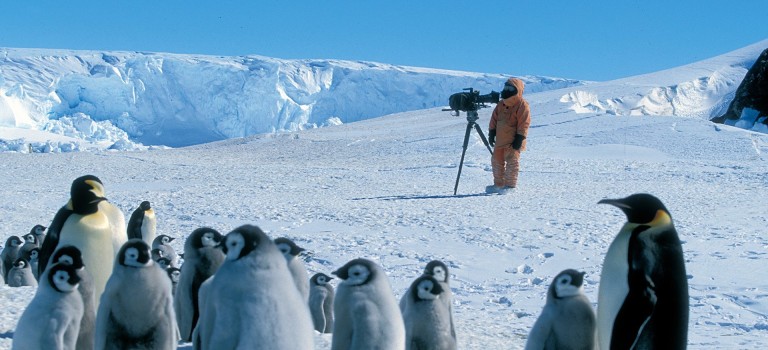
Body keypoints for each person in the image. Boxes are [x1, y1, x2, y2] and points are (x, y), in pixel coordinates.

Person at [487, 77, 531, 193]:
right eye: (506, 87)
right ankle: (498, 185)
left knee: (512, 162)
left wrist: (520, 138)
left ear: (517, 90)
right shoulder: (501, 104)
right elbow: (494, 119)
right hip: (500, 140)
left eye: (510, 88)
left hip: (513, 141)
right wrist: (491, 133)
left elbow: (524, 123)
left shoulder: (522, 105)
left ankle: (510, 186)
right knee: (496, 161)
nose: (507, 90)